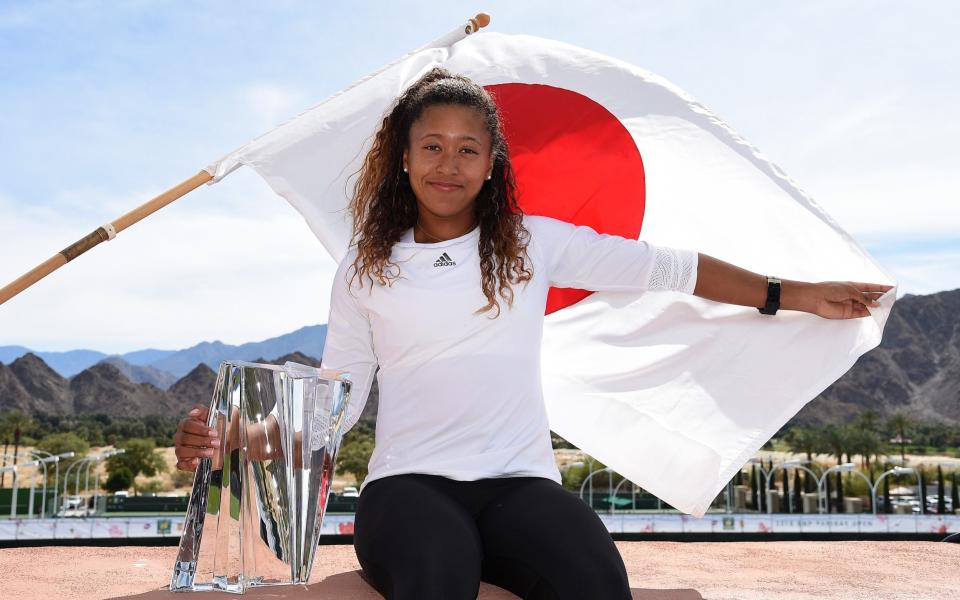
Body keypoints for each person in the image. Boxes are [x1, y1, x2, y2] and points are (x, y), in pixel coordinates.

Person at [174, 67, 891, 599]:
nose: (448, 165)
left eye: (467, 149)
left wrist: (792, 294)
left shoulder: (533, 244)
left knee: (597, 584)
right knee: (438, 577)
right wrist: (237, 437)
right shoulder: (368, 269)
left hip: (519, 483)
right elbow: (341, 398)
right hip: (408, 486)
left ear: (491, 165)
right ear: (403, 157)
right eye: (431, 147)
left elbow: (669, 269)